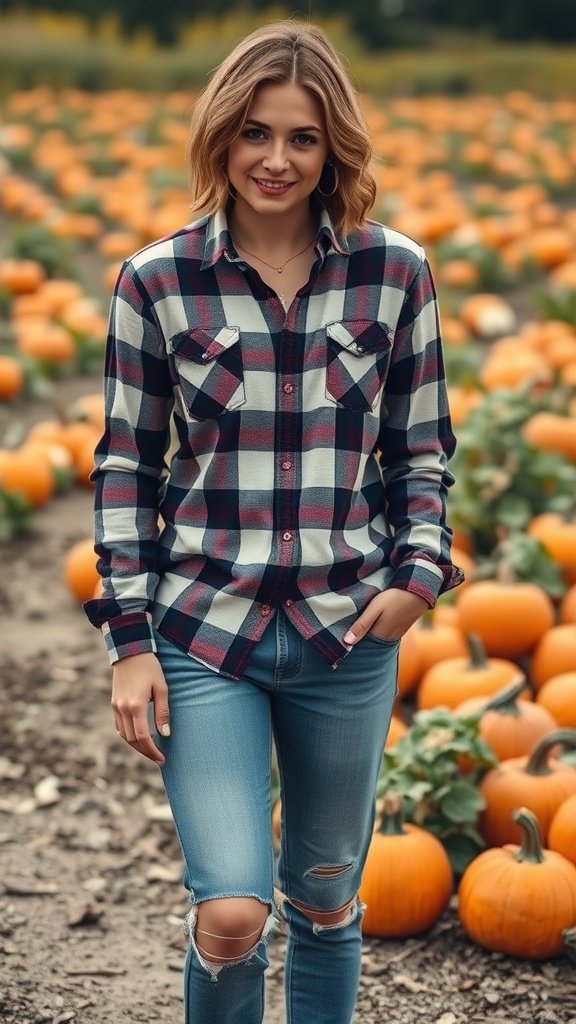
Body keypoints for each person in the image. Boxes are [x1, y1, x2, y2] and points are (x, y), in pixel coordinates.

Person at [84, 19, 463, 1024]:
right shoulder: (155, 282)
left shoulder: (395, 274)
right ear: (221, 137)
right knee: (234, 910)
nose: (277, 160)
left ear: (334, 145)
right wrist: (130, 643)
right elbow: (127, 467)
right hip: (208, 630)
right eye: (255, 133)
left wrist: (416, 575)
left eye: (302, 137)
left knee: (329, 898)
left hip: (347, 635)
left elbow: (419, 452)